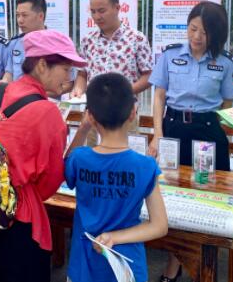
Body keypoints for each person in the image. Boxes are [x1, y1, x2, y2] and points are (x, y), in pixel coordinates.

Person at [0, 29, 86, 282]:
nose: (69, 78)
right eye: (65, 69)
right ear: (42, 65)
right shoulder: (48, 113)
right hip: (19, 220)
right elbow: (49, 185)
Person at [147, 1, 233, 282]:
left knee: (206, 195)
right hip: (173, 130)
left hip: (207, 133)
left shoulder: (225, 62)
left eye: (205, 32)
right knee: (171, 195)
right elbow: (159, 97)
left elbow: (227, 104)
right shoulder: (170, 55)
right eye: (193, 28)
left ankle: (203, 262)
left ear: (217, 34)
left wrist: (221, 137)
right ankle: (174, 263)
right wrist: (158, 134)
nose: (197, 36)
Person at [65, 73, 168, 282]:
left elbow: (66, 163)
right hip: (127, 267)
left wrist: (83, 128)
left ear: (91, 116)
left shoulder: (79, 158)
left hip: (84, 267)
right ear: (133, 113)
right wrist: (115, 237)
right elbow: (159, 226)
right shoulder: (145, 166)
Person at [72, 0, 153, 98]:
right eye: (93, 11)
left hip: (125, 107)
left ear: (117, 8)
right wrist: (78, 90)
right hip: (93, 107)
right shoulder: (87, 40)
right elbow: (82, 73)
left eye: (101, 11)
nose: (97, 17)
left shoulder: (137, 39)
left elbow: (149, 76)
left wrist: (124, 92)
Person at [3, 0, 47, 82]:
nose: (20, 20)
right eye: (18, 15)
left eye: (24, 15)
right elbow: (9, 74)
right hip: (16, 90)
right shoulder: (14, 43)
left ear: (40, 16)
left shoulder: (56, 43)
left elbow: (67, 83)